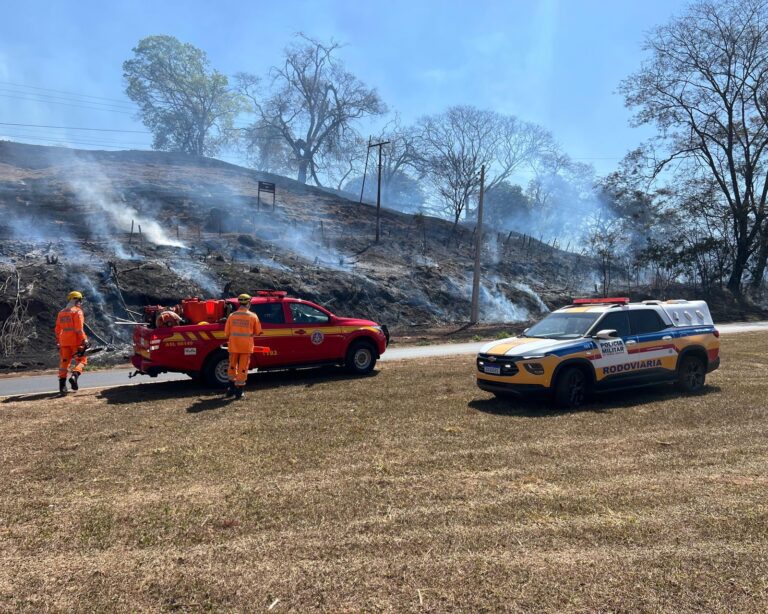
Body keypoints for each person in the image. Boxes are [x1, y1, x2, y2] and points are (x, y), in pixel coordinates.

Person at [223, 293, 262, 399]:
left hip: (233, 346)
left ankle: (231, 389)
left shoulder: (232, 316)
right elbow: (258, 331)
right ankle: (239, 391)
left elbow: (226, 333)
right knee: (243, 368)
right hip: (246, 346)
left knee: (232, 366)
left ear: (240, 303)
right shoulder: (253, 316)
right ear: (248, 303)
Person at [54, 290, 89, 396]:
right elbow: (79, 329)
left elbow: (57, 329)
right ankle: (74, 376)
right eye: (80, 300)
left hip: (64, 341)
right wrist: (85, 339)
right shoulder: (77, 312)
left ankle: (62, 387)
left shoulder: (61, 312)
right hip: (76, 341)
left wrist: (59, 341)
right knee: (82, 360)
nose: (81, 302)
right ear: (76, 300)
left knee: (64, 363)